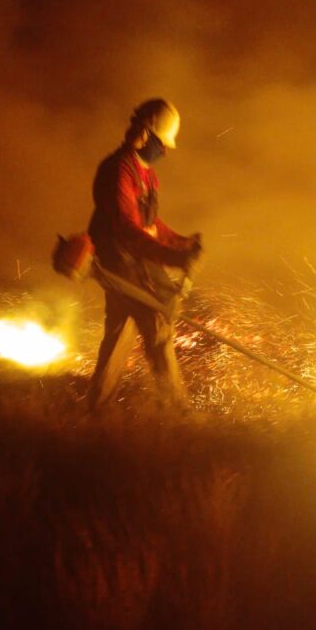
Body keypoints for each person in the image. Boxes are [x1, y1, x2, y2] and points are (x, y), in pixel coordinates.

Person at [86, 98, 202, 411]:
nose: (164, 150)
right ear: (143, 134)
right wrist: (173, 258)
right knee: (158, 324)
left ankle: (96, 409)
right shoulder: (118, 170)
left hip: (134, 259)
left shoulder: (146, 173)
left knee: (120, 331)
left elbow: (149, 223)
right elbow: (127, 229)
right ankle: (179, 413)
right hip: (119, 261)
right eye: (161, 143)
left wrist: (181, 243)